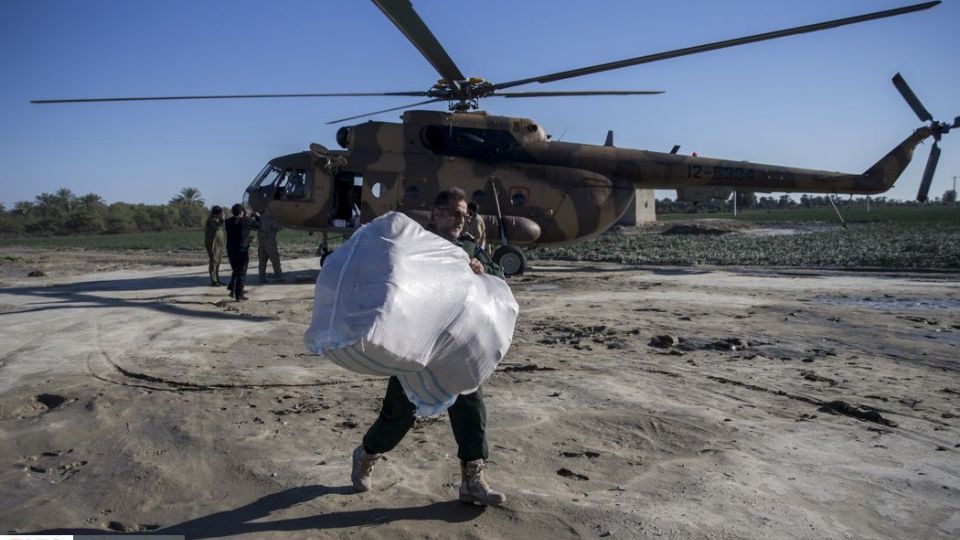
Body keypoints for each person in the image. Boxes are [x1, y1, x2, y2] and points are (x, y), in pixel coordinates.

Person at [350, 187, 507, 506]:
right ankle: (366, 453)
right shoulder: (415, 245)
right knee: (399, 415)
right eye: (456, 214)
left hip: (457, 345)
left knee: (471, 406)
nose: (462, 220)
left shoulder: (469, 247)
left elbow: (498, 277)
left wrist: (482, 270)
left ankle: (472, 479)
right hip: (418, 345)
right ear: (437, 214)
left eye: (466, 215)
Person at [224, 204, 259, 301]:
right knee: (242, 272)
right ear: (241, 212)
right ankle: (239, 294)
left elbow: (239, 231)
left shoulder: (228, 222)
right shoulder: (246, 221)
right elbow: (258, 225)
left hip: (231, 250)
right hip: (241, 251)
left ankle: (232, 288)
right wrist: (256, 216)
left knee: (235, 270)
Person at [257, 207, 283, 283]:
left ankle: (262, 278)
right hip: (270, 243)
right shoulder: (270, 218)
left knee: (262, 262)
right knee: (275, 261)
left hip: (261, 244)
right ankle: (278, 277)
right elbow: (277, 227)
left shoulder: (259, 219)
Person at [204, 205, 226, 287]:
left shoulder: (217, 219)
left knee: (217, 262)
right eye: (221, 213)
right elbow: (216, 227)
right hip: (213, 245)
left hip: (218, 245)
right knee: (213, 261)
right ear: (217, 213)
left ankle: (217, 279)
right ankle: (213, 280)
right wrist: (222, 219)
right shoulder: (211, 220)